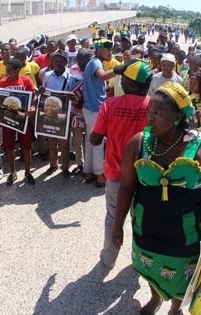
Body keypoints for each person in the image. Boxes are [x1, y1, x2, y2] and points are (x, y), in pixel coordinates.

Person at [112, 81, 201, 315]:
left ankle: (175, 307)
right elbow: (126, 187)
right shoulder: (139, 143)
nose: (150, 117)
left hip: (186, 235)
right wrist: (117, 225)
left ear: (177, 117)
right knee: (151, 270)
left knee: (183, 278)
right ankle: (156, 298)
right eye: (150, 112)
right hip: (147, 230)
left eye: (159, 113)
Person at [90, 58, 152, 269]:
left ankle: (109, 259)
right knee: (142, 222)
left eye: (123, 78)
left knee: (113, 218)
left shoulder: (110, 105)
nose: (119, 80)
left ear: (133, 84)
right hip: (146, 180)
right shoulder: (154, 108)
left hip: (117, 176)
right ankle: (140, 261)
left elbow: (95, 140)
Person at [82, 39, 116, 187]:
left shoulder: (92, 62)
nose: (110, 52)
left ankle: (88, 172)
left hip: (89, 108)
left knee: (90, 141)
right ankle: (99, 175)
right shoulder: (96, 63)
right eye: (108, 49)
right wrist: (119, 69)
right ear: (99, 50)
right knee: (98, 142)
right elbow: (102, 76)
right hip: (95, 110)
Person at [0, 58, 37, 186]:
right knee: (9, 146)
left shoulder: (25, 80)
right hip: (8, 118)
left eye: (9, 70)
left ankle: (27, 172)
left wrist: (33, 106)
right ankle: (13, 172)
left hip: (23, 118)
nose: (7, 72)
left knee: (26, 146)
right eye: (6, 70)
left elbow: (33, 95)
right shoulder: (3, 82)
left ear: (17, 70)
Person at [40, 51, 71, 177]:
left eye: (60, 61)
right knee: (52, 141)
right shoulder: (47, 75)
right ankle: (53, 164)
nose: (57, 64)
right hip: (51, 113)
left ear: (66, 63)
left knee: (64, 142)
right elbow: (44, 92)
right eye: (55, 61)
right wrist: (41, 91)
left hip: (64, 114)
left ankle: (65, 167)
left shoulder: (71, 76)